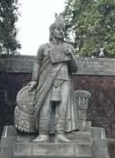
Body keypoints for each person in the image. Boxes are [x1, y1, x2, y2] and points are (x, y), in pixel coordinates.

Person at [29, 14, 78, 143]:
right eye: (58, 29)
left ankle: (60, 134)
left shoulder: (69, 48)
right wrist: (34, 80)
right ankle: (43, 134)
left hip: (63, 80)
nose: (61, 32)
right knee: (45, 107)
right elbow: (37, 63)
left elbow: (75, 69)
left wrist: (71, 56)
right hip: (45, 80)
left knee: (62, 108)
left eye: (63, 30)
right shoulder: (43, 47)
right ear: (52, 31)